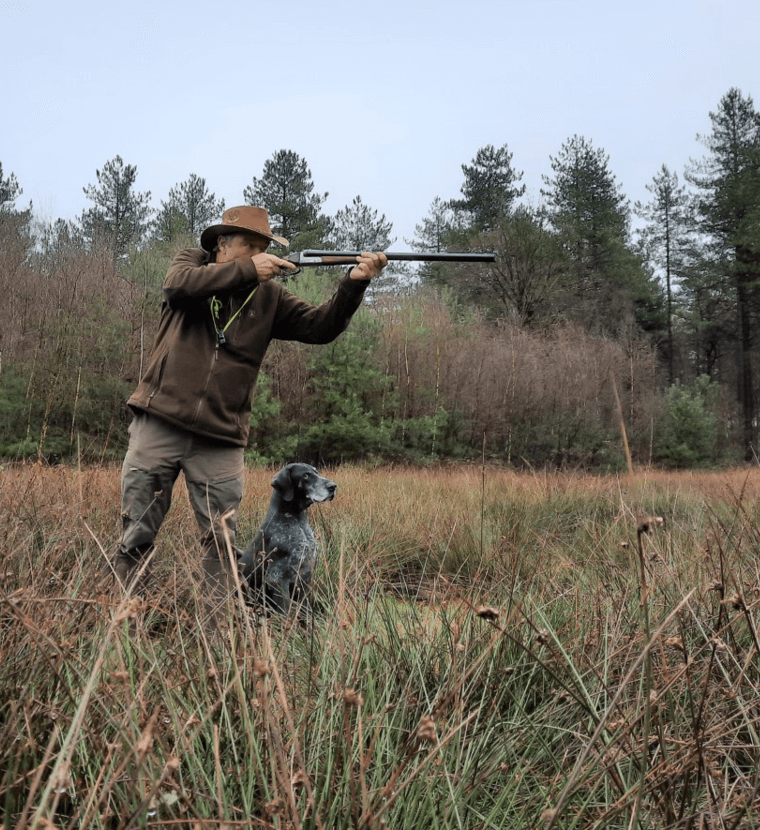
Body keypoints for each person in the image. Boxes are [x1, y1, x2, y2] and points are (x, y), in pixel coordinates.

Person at [110, 205, 387, 621]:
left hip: (221, 439)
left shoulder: (270, 296)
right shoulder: (190, 264)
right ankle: (124, 626)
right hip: (159, 421)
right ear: (222, 244)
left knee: (222, 542)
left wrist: (354, 284)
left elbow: (320, 327)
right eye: (251, 246)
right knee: (136, 532)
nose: (261, 255)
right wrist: (248, 270)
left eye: (264, 248)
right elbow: (176, 288)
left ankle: (218, 637)